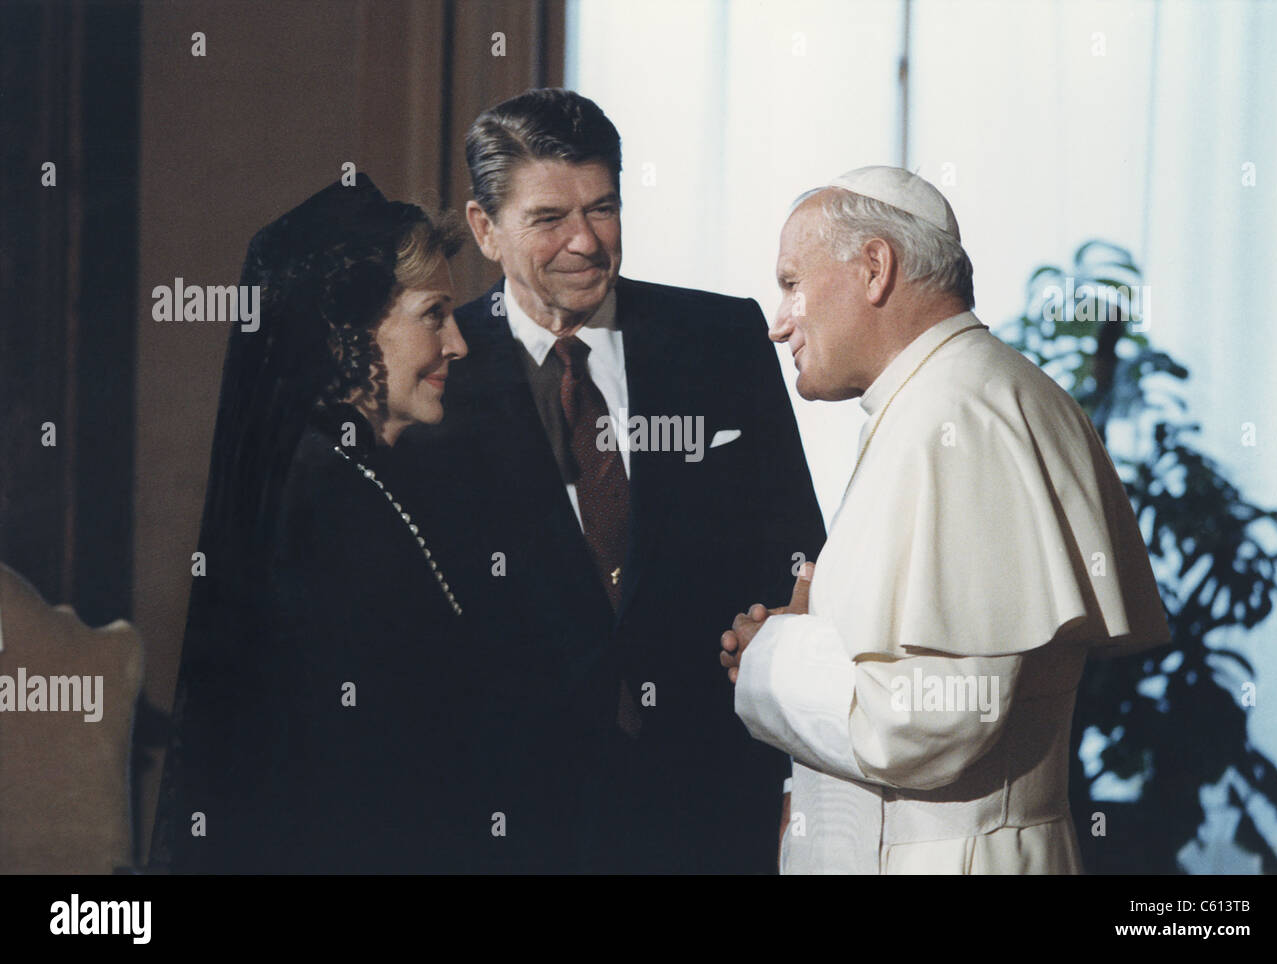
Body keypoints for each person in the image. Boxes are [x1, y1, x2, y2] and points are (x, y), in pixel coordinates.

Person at [392, 88, 826, 873]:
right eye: (549, 218)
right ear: (485, 229)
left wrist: (805, 774)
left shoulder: (721, 340)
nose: (585, 242)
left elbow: (798, 557)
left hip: (710, 806)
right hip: (504, 821)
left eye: (603, 208)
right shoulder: (436, 372)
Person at [721, 166, 1171, 874]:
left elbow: (932, 721)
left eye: (791, 284)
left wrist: (771, 657)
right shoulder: (960, 394)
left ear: (875, 268)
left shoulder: (954, 413)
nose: (779, 325)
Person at [150, 175, 483, 873]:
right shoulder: (323, 499)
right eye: (433, 314)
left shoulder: (353, 473)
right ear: (349, 331)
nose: (457, 343)